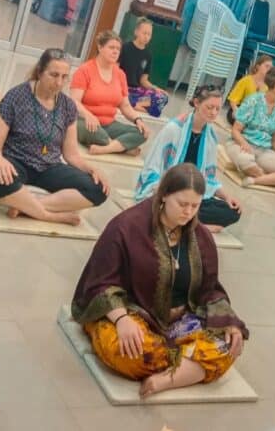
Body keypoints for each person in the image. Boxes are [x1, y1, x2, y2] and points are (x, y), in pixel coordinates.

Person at [71, 164, 247, 398]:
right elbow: (98, 283)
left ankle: (166, 380)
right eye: (182, 204)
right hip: (132, 314)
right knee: (127, 350)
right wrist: (122, 319)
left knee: (228, 345)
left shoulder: (200, 236)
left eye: (195, 206)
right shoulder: (126, 227)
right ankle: (188, 367)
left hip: (181, 322)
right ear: (164, 195)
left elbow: (210, 290)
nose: (188, 213)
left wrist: (229, 321)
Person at [0, 48, 110, 226]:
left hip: (49, 166)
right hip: (15, 161)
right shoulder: (16, 97)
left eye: (64, 77)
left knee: (98, 189)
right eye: (54, 75)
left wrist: (90, 169)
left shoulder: (68, 106)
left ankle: (26, 207)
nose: (59, 82)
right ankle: (48, 215)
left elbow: (71, 154)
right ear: (40, 72)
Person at [135, 85, 241, 232]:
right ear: (197, 103)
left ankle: (184, 224)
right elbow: (152, 167)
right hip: (169, 191)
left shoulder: (210, 136)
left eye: (217, 109)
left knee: (232, 211)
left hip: (193, 196)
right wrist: (161, 189)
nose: (213, 113)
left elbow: (209, 179)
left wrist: (227, 197)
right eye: (210, 107)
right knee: (167, 205)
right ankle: (196, 226)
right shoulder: (174, 129)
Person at [72, 30, 149, 156]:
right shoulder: (84, 70)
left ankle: (105, 148)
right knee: (98, 134)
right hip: (84, 121)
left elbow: (125, 106)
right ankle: (123, 147)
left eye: (118, 49)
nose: (115, 51)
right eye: (111, 47)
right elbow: (74, 101)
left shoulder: (120, 75)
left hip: (109, 124)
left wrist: (138, 120)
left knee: (142, 133)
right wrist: (88, 115)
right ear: (100, 47)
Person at [225, 67, 275, 188]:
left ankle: (255, 180)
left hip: (264, 151)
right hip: (242, 144)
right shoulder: (253, 101)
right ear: (272, 82)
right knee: (244, 160)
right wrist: (243, 143)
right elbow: (235, 130)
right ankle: (271, 178)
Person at [119, 17, 169, 117]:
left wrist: (156, 88)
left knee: (162, 97)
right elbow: (115, 71)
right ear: (136, 32)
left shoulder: (148, 55)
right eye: (144, 33)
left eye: (149, 34)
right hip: (122, 88)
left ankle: (134, 105)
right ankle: (134, 105)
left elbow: (143, 81)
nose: (146, 37)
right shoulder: (124, 48)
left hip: (136, 91)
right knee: (118, 95)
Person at [226, 55, 273, 124]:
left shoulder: (268, 86)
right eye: (266, 66)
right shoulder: (246, 80)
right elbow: (233, 100)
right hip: (241, 109)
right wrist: (236, 111)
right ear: (258, 66)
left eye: (270, 67)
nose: (269, 69)